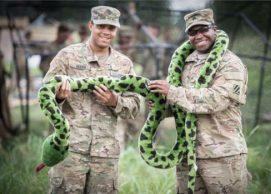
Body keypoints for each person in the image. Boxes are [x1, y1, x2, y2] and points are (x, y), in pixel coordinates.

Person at [149, 9, 251, 194]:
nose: (199, 35)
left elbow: (216, 100)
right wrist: (161, 107)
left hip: (222, 156)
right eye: (192, 32)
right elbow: (179, 103)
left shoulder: (230, 63)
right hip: (187, 155)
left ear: (214, 29)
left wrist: (172, 92)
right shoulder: (185, 63)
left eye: (203, 29)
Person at [43, 6, 140, 194]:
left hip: (106, 154)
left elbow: (135, 107)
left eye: (111, 28)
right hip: (70, 150)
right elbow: (45, 96)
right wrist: (59, 97)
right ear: (91, 25)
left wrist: (114, 101)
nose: (106, 32)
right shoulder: (67, 56)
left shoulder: (124, 64)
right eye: (101, 26)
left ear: (116, 30)